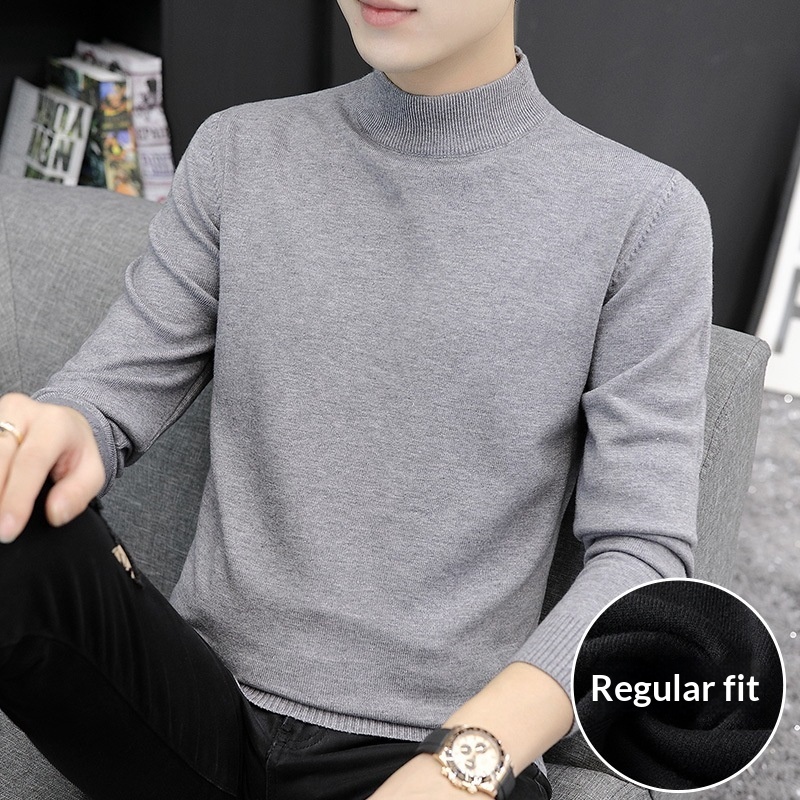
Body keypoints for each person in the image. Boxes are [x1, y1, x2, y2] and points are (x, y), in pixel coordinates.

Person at [0, 1, 712, 798]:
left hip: (425, 752)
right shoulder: (240, 150)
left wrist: (464, 765)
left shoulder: (644, 215)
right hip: (193, 709)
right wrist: (55, 427)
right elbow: (105, 396)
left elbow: (643, 557)